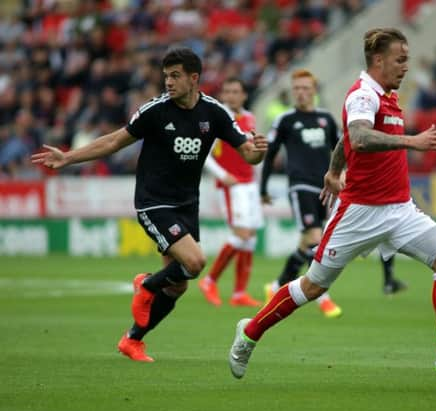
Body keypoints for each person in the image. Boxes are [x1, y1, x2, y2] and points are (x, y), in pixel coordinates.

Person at [228, 28, 436, 379]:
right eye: (400, 59)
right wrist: (412, 141)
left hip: (400, 209)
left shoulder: (387, 96)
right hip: (359, 212)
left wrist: (332, 171)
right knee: (312, 286)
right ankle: (249, 333)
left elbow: (345, 137)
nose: (406, 67)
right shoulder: (362, 94)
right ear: (378, 60)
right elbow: (358, 137)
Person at [31, 47, 268, 362]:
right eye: (166, 76)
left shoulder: (214, 113)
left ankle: (132, 340)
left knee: (178, 285)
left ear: (194, 78)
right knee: (195, 263)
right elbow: (114, 141)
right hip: (153, 202)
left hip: (187, 204)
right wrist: (69, 157)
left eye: (175, 76)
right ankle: (146, 285)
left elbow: (249, 154)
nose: (168, 82)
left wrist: (261, 150)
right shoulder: (154, 111)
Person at [259, 68, 343, 318]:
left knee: (306, 243)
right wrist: (262, 188)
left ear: (314, 91)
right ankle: (323, 296)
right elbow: (270, 153)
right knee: (316, 238)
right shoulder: (285, 120)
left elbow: (341, 149)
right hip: (300, 186)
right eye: (297, 89)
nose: (301, 93)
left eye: (306, 88)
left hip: (324, 188)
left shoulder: (326, 119)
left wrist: (343, 173)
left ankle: (275, 287)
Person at [198, 77, 264, 307]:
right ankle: (209, 280)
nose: (231, 95)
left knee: (250, 239)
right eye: (227, 91)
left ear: (244, 95)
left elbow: (254, 150)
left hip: (250, 184)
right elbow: (204, 153)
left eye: (236, 91)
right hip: (231, 186)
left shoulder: (249, 117)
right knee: (241, 235)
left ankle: (239, 293)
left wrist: (260, 184)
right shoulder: (218, 118)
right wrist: (221, 175)